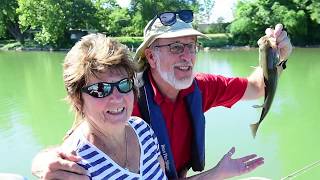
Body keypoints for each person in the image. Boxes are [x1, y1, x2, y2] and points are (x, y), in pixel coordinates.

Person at [32, 9, 292, 179]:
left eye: (192, 46)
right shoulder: (123, 97)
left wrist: (278, 57)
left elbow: (258, 87)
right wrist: (42, 162)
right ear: (151, 57)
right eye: (176, 47)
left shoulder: (200, 87)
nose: (187, 56)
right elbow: (78, 137)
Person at [37, 33, 167, 179]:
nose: (117, 98)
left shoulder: (143, 130)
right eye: (101, 89)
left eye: (124, 84)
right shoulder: (74, 166)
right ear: (77, 99)